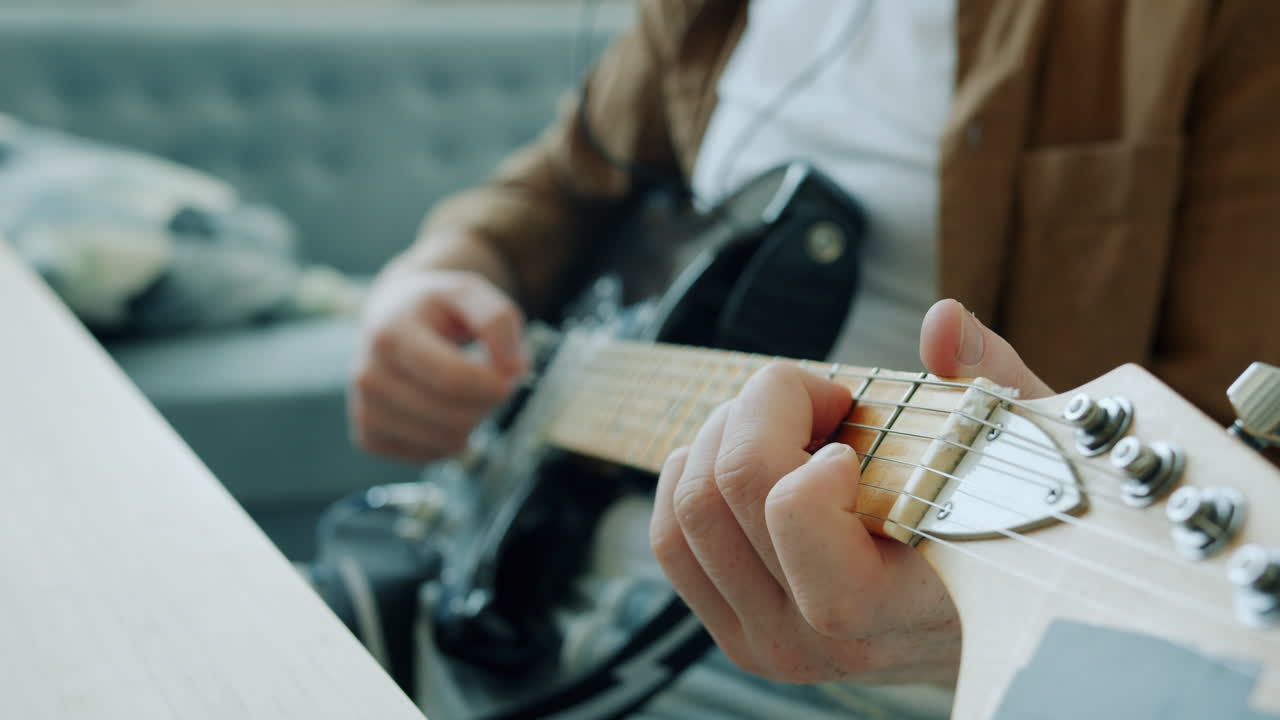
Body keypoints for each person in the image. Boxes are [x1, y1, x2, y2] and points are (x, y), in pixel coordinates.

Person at [348, 0, 1280, 716]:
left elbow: (1210, 471)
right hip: (525, 572)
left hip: (863, 675)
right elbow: (560, 180)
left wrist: (957, 629)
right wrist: (436, 272)